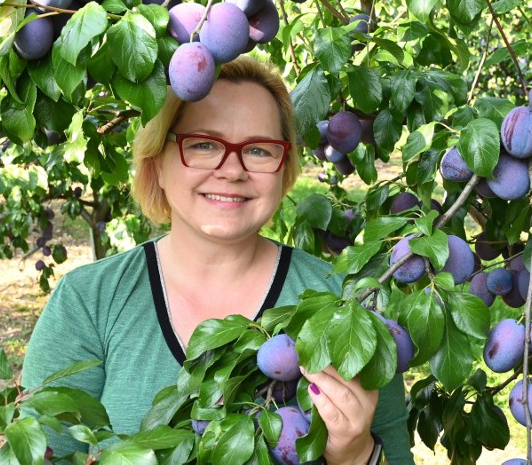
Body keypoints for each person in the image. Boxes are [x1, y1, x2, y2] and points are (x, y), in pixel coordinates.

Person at [21, 56, 414, 464]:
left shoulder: (345, 304)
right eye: (204, 144)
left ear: (284, 170)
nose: (232, 170)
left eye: (259, 150)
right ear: (157, 161)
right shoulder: (88, 302)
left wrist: (354, 455)